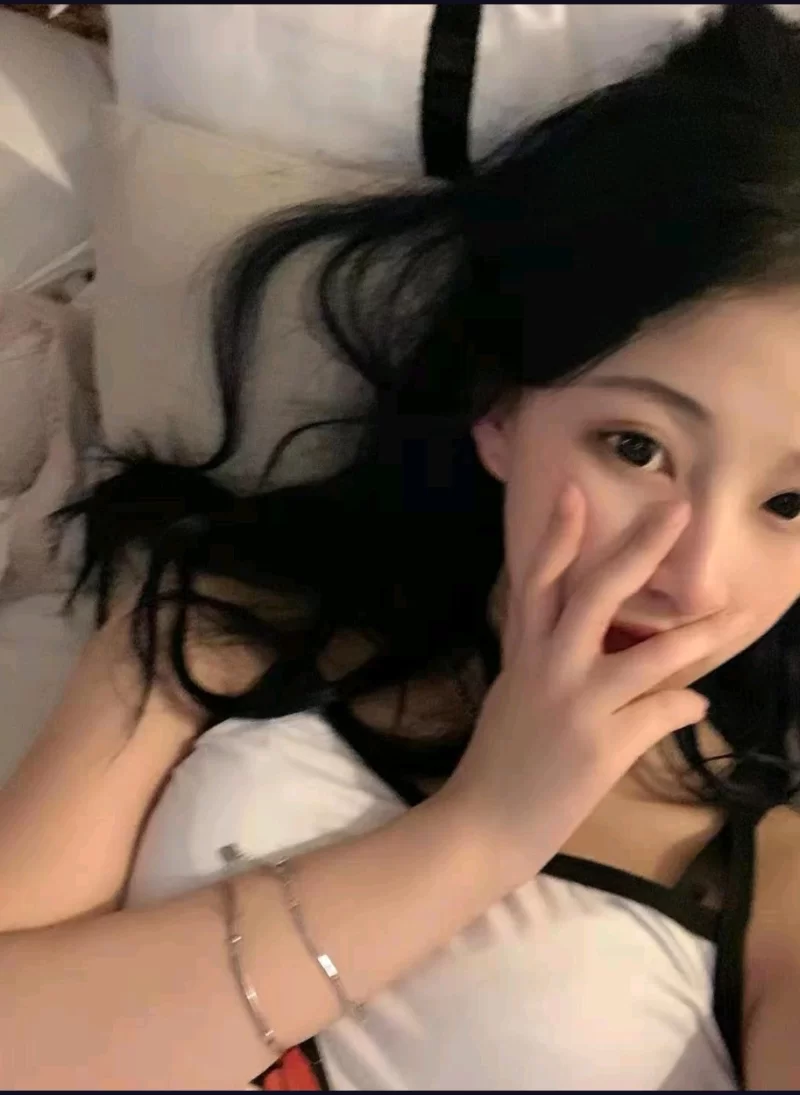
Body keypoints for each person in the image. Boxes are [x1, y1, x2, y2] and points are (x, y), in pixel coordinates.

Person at [1, 4, 800, 1089]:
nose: (690, 574)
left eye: (790, 504)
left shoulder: (770, 874)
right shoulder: (223, 627)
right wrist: (479, 834)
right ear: (501, 406)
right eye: (635, 447)